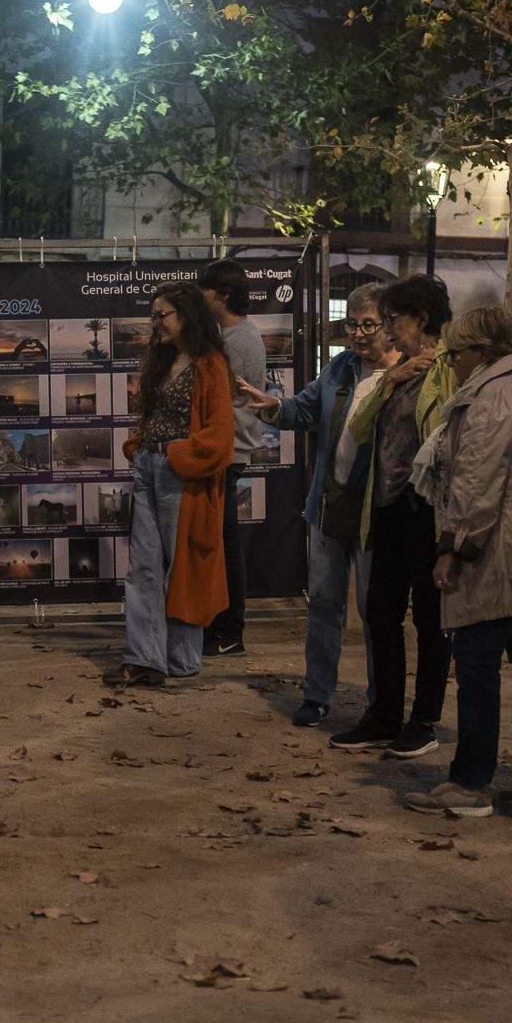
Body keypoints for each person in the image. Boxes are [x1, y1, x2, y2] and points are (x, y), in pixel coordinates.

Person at [397, 307, 512, 815]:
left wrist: (454, 548)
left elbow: (477, 478)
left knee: (476, 663)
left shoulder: (493, 393)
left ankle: (471, 782)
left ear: (481, 351)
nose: (450, 363)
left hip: (499, 548)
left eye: (454, 353)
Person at [237, 285, 396, 726]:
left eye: (369, 324)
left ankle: (381, 703)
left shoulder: (409, 375)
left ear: (391, 326)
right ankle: (317, 694)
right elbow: (303, 411)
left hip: (377, 514)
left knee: (374, 610)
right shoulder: (341, 367)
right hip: (329, 506)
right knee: (324, 602)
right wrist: (273, 408)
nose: (359, 334)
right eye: (352, 324)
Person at [330, 274, 455, 759]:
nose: (385, 330)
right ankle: (384, 713)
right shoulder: (396, 371)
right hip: (383, 507)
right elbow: (359, 428)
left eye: (392, 320)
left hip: (425, 510)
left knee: (428, 617)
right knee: (380, 613)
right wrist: (388, 383)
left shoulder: (448, 370)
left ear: (420, 320)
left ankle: (423, 719)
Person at [106, 282, 234, 687]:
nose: (155, 322)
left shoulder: (211, 364)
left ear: (188, 315)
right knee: (143, 567)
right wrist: (139, 446)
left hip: (182, 472)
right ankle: (145, 659)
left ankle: (180, 659)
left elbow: (220, 434)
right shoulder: (160, 361)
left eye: (163, 314)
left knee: (184, 568)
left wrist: (179, 456)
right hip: (148, 466)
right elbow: (152, 414)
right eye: (154, 314)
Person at [196, 258, 268, 657]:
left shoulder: (237, 340)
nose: (199, 296)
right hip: (224, 448)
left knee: (224, 541)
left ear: (222, 294)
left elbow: (217, 397)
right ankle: (221, 625)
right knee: (219, 539)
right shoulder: (228, 333)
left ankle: (230, 629)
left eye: (205, 290)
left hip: (228, 450)